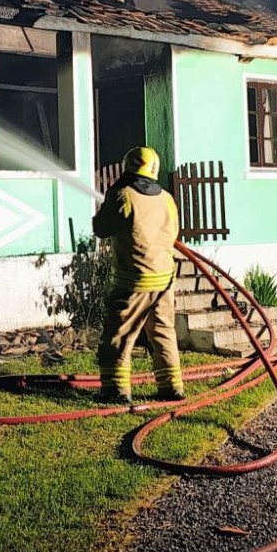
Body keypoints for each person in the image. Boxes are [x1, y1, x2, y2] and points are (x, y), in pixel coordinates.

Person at [92, 145, 184, 404]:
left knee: (119, 333)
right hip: (165, 278)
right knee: (163, 331)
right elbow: (174, 230)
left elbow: (102, 228)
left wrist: (109, 200)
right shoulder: (166, 198)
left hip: (133, 280)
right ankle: (172, 387)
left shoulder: (123, 195)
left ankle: (115, 389)